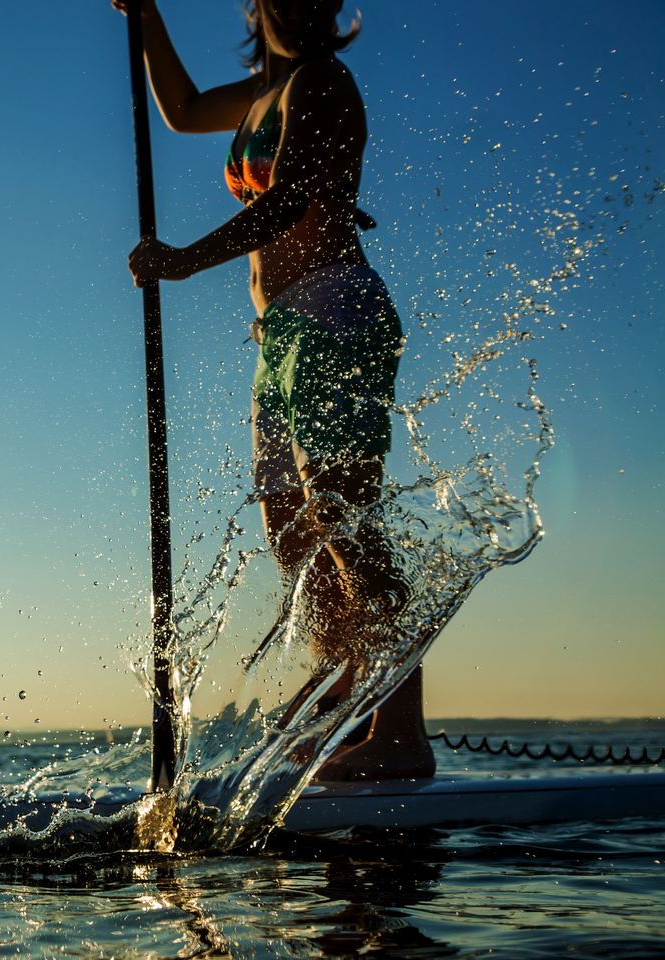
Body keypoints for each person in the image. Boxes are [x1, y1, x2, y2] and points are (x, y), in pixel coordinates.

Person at [114, 0, 434, 780]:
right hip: (279, 336)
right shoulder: (263, 93)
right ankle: (349, 694)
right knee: (296, 540)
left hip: (335, 309)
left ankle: (403, 731)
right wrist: (145, 11)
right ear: (257, 7)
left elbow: (289, 198)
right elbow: (184, 109)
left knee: (342, 519)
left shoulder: (323, 82)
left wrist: (186, 260)